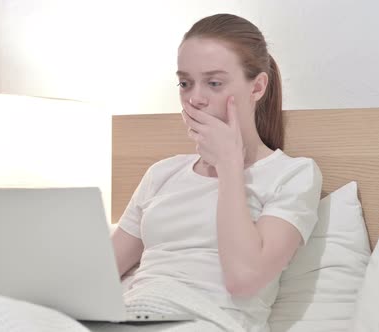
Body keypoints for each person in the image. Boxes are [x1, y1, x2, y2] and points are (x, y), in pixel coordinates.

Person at [111, 13, 322, 331]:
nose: (194, 98)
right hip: (136, 314)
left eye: (214, 83)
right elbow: (98, 275)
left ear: (257, 87)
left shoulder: (293, 175)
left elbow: (244, 280)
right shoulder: (162, 174)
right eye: (185, 83)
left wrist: (229, 167)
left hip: (212, 322)